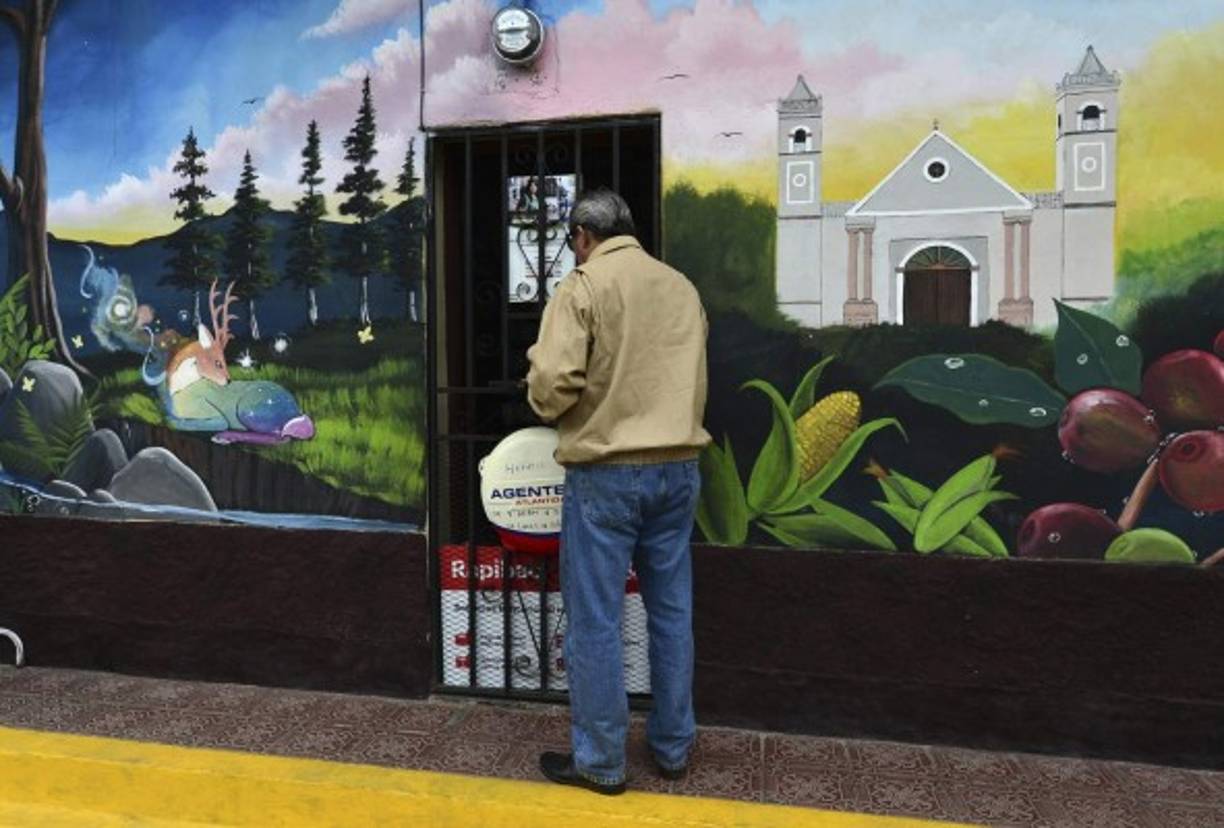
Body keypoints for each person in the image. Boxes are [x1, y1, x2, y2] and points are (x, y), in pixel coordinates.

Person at [526, 188, 711, 796]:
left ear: (582, 235)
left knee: (596, 620)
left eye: (571, 240)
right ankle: (673, 746)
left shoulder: (583, 286)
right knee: (672, 611)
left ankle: (602, 761)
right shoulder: (680, 287)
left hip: (606, 471)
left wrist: (548, 404)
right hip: (678, 466)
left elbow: (552, 383)